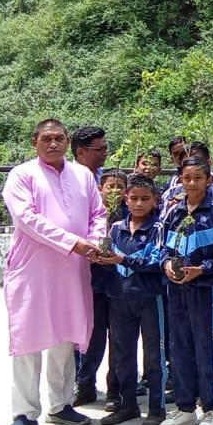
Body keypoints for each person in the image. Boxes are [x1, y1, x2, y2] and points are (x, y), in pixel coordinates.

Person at [0, 119, 105, 425]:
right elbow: (26, 219)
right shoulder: (22, 175)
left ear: (68, 141)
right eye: (46, 138)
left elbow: (98, 214)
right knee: (27, 339)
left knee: (65, 336)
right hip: (33, 269)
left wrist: (94, 242)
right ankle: (24, 413)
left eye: (59, 138)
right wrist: (72, 242)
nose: (53, 144)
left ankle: (61, 405)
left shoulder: (82, 175)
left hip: (72, 268)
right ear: (35, 141)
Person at [158, 157, 213, 425]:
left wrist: (202, 269)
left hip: (204, 289)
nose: (192, 183)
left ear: (208, 180)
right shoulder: (173, 211)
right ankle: (184, 407)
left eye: (198, 178)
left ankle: (211, 409)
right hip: (176, 289)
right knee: (179, 346)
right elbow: (163, 247)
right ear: (180, 180)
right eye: (187, 178)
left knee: (206, 347)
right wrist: (166, 264)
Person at [92, 174, 167, 425]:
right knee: (122, 353)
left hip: (149, 298)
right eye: (134, 198)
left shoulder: (159, 229)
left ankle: (156, 408)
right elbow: (109, 259)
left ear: (155, 200)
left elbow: (156, 261)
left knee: (154, 354)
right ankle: (127, 404)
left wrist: (123, 260)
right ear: (126, 199)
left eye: (145, 199)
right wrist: (102, 259)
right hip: (119, 298)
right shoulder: (116, 228)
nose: (138, 204)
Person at [77, 171, 126, 410]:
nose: (115, 191)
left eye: (120, 187)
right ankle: (85, 385)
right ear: (100, 189)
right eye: (110, 186)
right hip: (94, 283)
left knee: (118, 339)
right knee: (92, 338)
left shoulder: (130, 214)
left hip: (120, 285)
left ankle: (115, 391)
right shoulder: (90, 214)